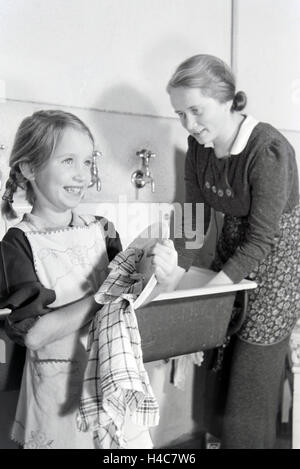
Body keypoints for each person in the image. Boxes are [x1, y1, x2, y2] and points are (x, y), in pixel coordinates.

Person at [0, 109, 179, 449]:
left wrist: (161, 278)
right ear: (29, 168)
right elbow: (35, 335)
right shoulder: (18, 244)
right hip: (59, 399)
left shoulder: (102, 228)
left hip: (113, 382)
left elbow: (132, 301)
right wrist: (105, 293)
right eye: (68, 161)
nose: (82, 175)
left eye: (87, 162)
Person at [167, 54, 300, 449]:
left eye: (196, 110)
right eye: (179, 114)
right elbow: (192, 219)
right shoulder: (199, 149)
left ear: (228, 100)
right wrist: (171, 275)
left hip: (277, 265)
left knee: (250, 379)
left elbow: (262, 239)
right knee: (219, 362)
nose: (189, 124)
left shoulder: (268, 150)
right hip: (235, 255)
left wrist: (214, 292)